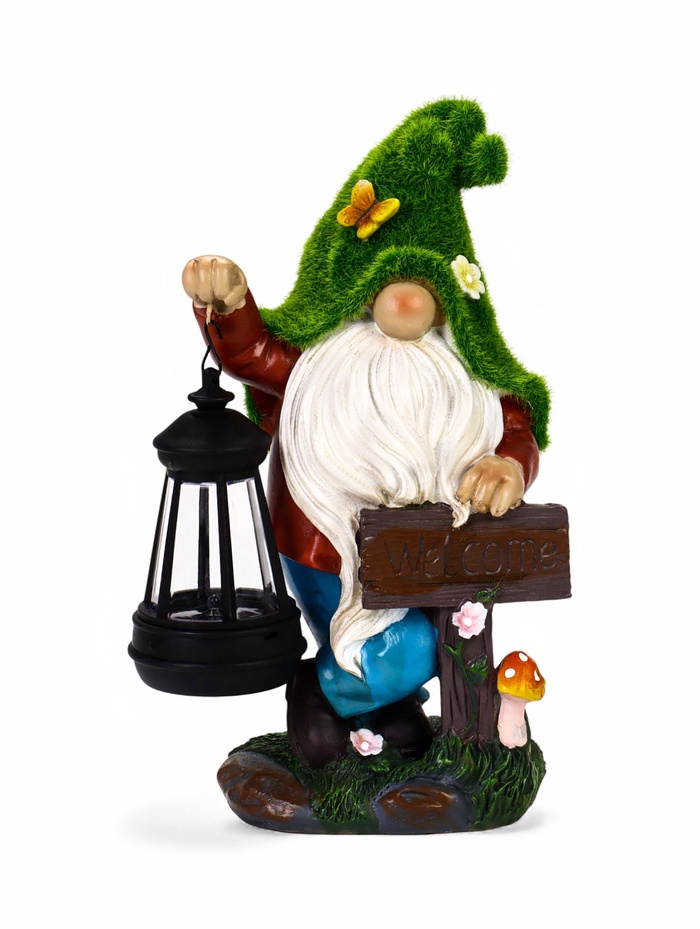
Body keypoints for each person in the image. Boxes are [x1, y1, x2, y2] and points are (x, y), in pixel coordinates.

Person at [183, 99, 549, 765]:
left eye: (424, 284)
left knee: (429, 641)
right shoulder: (326, 363)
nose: (405, 301)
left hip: (434, 551)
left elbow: (516, 425)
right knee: (400, 645)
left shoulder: (469, 377)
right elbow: (258, 356)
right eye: (388, 281)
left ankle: (342, 698)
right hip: (323, 543)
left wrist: (508, 465)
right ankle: (343, 694)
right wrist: (230, 304)